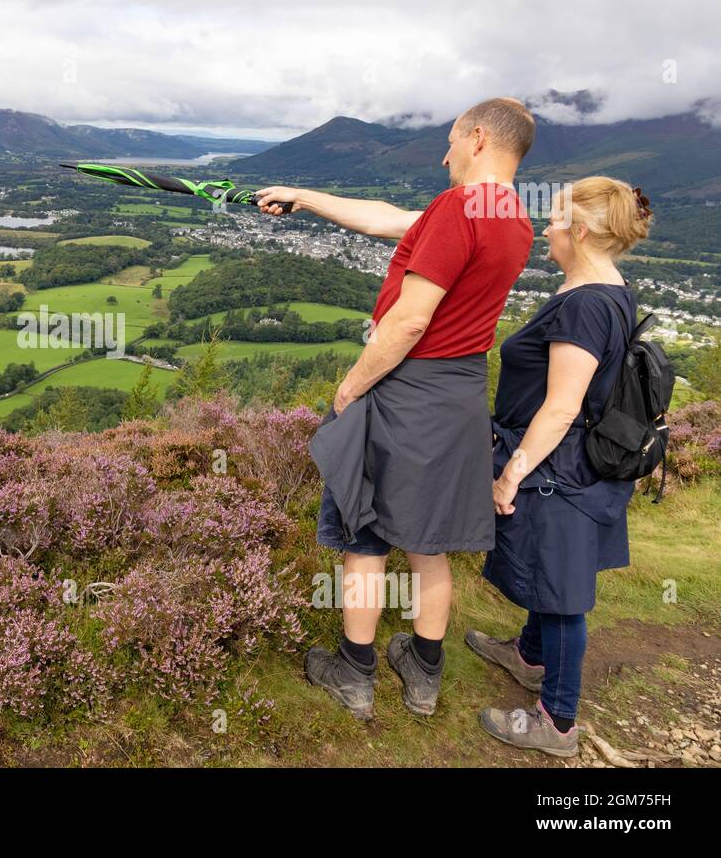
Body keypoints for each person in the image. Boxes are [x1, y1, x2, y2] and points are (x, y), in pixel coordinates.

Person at [255, 97, 535, 720]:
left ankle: (354, 672)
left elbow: (410, 320)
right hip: (460, 395)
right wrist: (307, 196)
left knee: (366, 528)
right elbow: (390, 219)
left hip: (406, 390)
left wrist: (352, 386)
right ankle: (424, 673)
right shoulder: (510, 215)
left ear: (479, 137)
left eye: (452, 141)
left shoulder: (459, 206)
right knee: (429, 539)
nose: (445, 154)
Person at [471, 177, 653, 756]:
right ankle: (529, 656)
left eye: (553, 220)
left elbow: (561, 406)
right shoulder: (609, 289)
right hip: (577, 466)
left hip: (559, 469)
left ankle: (558, 721)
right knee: (551, 574)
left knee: (563, 595)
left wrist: (511, 473)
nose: (545, 229)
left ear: (577, 231)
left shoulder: (585, 306)